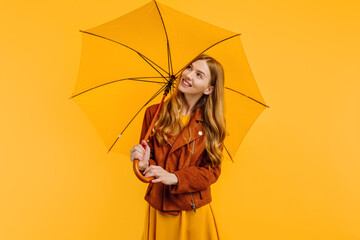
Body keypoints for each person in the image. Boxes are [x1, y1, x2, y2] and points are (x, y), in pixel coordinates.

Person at [130, 54, 226, 240]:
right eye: (189, 68)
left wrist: (174, 177)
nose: (188, 75)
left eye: (199, 75)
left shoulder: (212, 125)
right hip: (159, 207)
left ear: (209, 89)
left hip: (193, 210)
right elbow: (149, 163)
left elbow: (211, 172)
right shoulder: (154, 113)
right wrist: (143, 163)